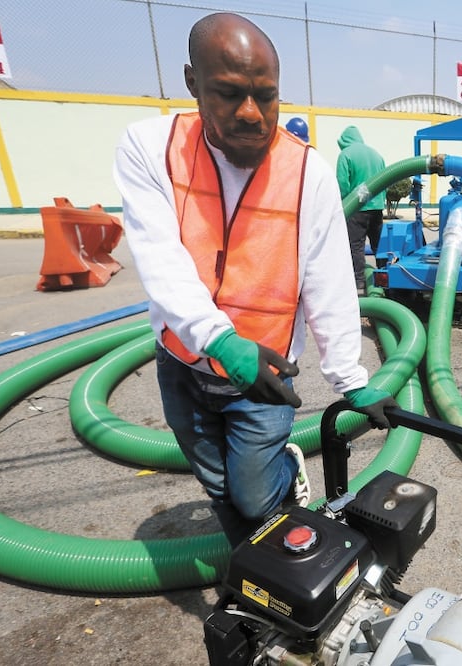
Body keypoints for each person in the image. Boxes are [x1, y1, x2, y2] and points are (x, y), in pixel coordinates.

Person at [112, 12, 396, 547]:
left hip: (265, 373)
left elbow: (330, 281)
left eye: (267, 97)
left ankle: (282, 481)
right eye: (229, 93)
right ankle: (249, 565)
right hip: (184, 361)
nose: (251, 113)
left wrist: (351, 380)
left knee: (255, 495)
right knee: (219, 484)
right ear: (193, 83)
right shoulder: (151, 149)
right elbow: (159, 257)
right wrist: (218, 340)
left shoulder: (307, 174)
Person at [336, 126, 386, 292]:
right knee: (379, 245)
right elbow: (385, 180)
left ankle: (358, 281)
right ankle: (384, 277)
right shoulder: (376, 154)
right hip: (377, 207)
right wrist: (379, 201)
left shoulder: (346, 154)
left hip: (357, 208)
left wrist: (345, 205)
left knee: (356, 246)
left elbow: (342, 185)